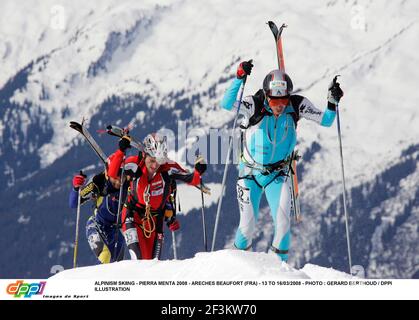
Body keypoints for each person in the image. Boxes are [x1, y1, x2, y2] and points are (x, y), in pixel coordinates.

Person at [220, 60, 344, 262]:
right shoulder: (256, 104)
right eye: (274, 101)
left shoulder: (296, 105)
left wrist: (332, 102)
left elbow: (326, 120)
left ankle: (277, 276)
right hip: (250, 174)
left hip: (277, 175)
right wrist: (239, 77)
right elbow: (226, 104)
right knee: (247, 226)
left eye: (283, 101)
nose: (279, 106)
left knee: (284, 225)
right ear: (266, 96)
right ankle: (237, 270)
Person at [107, 133, 207, 260]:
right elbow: (112, 173)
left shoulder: (168, 168)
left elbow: (192, 179)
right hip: (132, 214)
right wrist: (121, 151)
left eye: (158, 161)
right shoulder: (135, 164)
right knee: (138, 259)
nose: (154, 166)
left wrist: (199, 171)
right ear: (144, 154)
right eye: (152, 160)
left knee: (153, 262)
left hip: (155, 219)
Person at [68, 159, 134, 264]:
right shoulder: (99, 181)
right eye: (115, 178)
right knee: (105, 257)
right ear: (108, 174)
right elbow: (74, 203)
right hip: (97, 226)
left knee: (117, 265)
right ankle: (95, 280)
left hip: (115, 231)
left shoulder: (129, 184)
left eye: (122, 178)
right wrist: (76, 188)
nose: (119, 182)